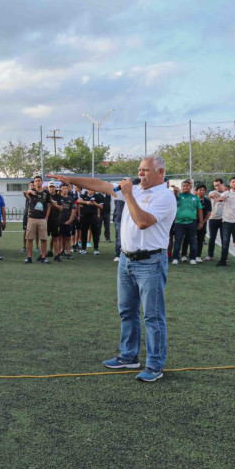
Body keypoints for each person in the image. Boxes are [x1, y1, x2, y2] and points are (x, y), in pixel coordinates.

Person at [50, 155, 176, 381]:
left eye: (146, 170)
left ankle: (155, 365)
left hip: (150, 263)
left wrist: (127, 194)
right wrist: (69, 178)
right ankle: (129, 356)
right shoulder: (136, 189)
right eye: (139, 170)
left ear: (160, 173)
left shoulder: (164, 196)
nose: (140, 174)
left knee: (153, 316)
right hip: (127, 260)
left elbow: (143, 222)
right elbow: (100, 185)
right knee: (127, 311)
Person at [171, 179, 203, 265]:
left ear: (190, 187)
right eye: (183, 186)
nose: (185, 187)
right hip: (179, 223)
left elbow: (199, 210)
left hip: (192, 223)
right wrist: (176, 191)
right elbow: (176, 195)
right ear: (181, 187)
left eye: (187, 186)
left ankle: (192, 258)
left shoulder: (195, 198)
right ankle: (175, 258)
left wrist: (201, 222)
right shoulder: (178, 196)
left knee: (193, 241)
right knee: (177, 241)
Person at [23, 176, 51, 264]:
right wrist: (29, 191)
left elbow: (49, 205)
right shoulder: (32, 191)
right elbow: (24, 193)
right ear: (34, 183)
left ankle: (43, 257)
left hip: (42, 218)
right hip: (32, 218)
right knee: (30, 238)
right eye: (36, 181)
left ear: (42, 182)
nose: (37, 182)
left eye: (39, 181)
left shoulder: (46, 192)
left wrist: (46, 217)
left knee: (43, 238)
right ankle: (29, 257)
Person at [205, 178, 226, 261]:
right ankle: (210, 255)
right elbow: (211, 195)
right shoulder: (213, 192)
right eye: (215, 185)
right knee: (212, 238)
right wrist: (215, 196)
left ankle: (224, 256)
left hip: (224, 219)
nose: (216, 187)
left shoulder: (227, 193)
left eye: (218, 185)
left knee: (224, 238)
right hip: (213, 218)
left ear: (222, 184)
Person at [76, 189, 101, 255]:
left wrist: (94, 203)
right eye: (89, 189)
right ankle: (83, 249)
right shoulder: (84, 195)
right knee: (84, 233)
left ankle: (96, 249)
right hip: (84, 217)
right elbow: (78, 201)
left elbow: (101, 206)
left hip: (94, 217)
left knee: (95, 233)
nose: (91, 191)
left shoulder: (97, 196)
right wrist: (86, 202)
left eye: (92, 189)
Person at [46, 181, 64, 261]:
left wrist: (53, 204)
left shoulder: (58, 197)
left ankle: (56, 254)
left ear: (55, 188)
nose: (51, 188)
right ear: (48, 188)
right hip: (46, 219)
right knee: (44, 237)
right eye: (50, 187)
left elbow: (61, 208)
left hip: (55, 219)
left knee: (55, 237)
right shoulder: (45, 195)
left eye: (53, 187)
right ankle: (44, 254)